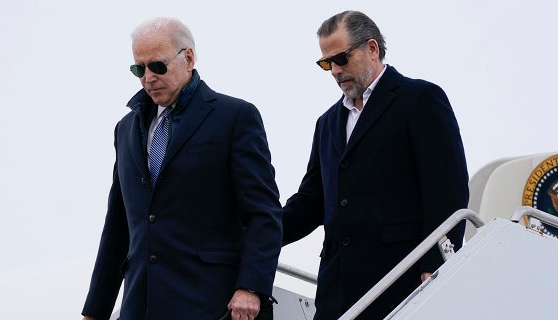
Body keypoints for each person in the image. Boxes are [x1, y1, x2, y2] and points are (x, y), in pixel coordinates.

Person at [81, 17, 282, 320]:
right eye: (139, 69)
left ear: (188, 58)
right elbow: (118, 228)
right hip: (141, 306)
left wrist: (252, 287)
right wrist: (95, 310)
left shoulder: (234, 116)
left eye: (157, 66)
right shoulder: (124, 131)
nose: (148, 77)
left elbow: (263, 212)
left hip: (213, 303)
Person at [282, 10, 469, 320]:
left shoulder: (420, 99)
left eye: (341, 58)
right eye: (326, 63)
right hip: (337, 293)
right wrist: (258, 232)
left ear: (372, 48)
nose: (334, 70)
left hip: (401, 284)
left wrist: (434, 267)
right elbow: (312, 202)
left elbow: (446, 190)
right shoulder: (326, 123)